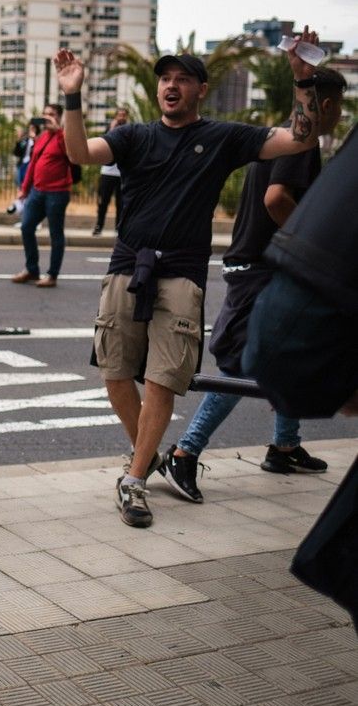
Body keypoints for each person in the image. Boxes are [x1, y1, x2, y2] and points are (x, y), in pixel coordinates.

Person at [55, 31, 327, 529]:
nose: (171, 85)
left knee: (162, 378)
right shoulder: (133, 136)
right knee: (115, 374)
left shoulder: (224, 137)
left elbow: (301, 138)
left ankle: (134, 482)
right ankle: (150, 453)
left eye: (182, 78)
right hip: (125, 266)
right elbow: (78, 153)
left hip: (181, 273)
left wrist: (303, 78)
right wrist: (72, 93)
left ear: (201, 89)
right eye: (165, 79)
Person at [159, 67, 347, 501]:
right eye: (339, 107)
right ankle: (184, 454)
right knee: (240, 365)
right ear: (330, 105)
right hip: (261, 270)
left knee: (289, 357)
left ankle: (285, 446)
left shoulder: (282, 135)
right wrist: (308, 243)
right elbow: (276, 199)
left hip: (264, 267)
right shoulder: (302, 142)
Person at [11, 103, 72, 288]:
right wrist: (24, 188)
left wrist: (59, 131)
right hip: (37, 192)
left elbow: (70, 155)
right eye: (45, 114)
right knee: (26, 227)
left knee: (56, 234)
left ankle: (52, 275)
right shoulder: (42, 137)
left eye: (52, 115)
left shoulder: (64, 137)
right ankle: (32, 269)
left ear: (59, 117)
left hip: (58, 193)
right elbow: (33, 164)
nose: (47, 118)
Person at [93, 108, 128, 235]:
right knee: (103, 202)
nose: (121, 117)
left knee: (121, 203)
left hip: (122, 174)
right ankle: (99, 226)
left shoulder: (129, 131)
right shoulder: (110, 129)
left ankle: (119, 228)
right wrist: (112, 127)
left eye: (123, 115)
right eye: (119, 115)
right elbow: (104, 143)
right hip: (107, 173)